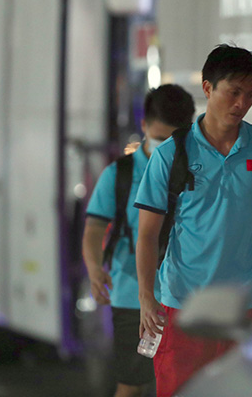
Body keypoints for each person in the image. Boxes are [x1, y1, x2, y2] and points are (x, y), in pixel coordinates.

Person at [134, 44, 252, 396]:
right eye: (233, 92)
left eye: (250, 94)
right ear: (207, 88)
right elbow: (146, 234)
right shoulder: (171, 155)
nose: (242, 103)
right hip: (182, 306)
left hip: (246, 306)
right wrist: (146, 296)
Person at [82, 84, 196, 397]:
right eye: (159, 137)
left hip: (186, 297)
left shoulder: (197, 171)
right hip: (132, 297)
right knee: (132, 386)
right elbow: (94, 228)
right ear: (143, 126)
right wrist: (95, 269)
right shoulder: (119, 174)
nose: (164, 147)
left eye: (173, 139)